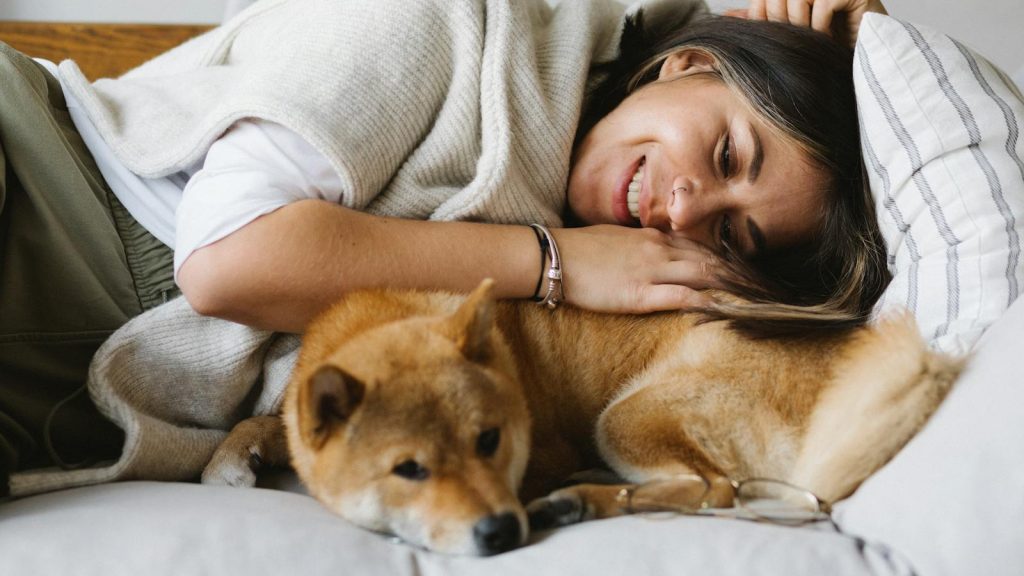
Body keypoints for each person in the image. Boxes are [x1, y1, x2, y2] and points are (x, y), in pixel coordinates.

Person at [0, 0, 888, 494]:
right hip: (43, 189)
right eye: (728, 153)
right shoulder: (443, 23)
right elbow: (230, 258)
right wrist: (555, 261)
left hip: (67, 392)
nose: (687, 209)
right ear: (687, 64)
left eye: (732, 232)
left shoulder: (585, 294)